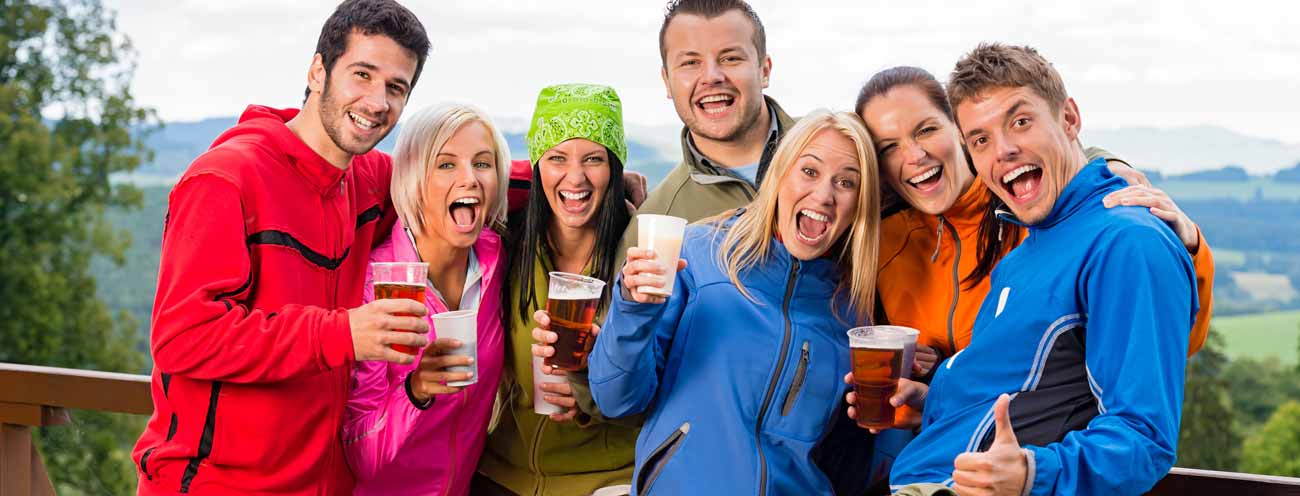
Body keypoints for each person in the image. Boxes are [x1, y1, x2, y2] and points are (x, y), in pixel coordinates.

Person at [132, 1, 430, 494]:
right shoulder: (226, 179)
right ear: (318, 71)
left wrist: (572, 175)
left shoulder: (368, 178)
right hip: (213, 485)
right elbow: (182, 338)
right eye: (362, 74)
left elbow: (460, 182)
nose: (378, 101)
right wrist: (342, 334)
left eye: (396, 88)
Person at [876, 44, 1198, 496]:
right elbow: (1025, 394)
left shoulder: (1126, 241)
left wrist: (1032, 472)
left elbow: (1144, 438)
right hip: (920, 477)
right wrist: (937, 401)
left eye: (1020, 121)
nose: (1004, 150)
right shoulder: (1025, 251)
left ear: (1069, 119)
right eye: (981, 139)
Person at [586, 109, 882, 495]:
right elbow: (616, 398)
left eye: (846, 182)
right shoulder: (699, 253)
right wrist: (633, 307)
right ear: (780, 175)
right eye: (809, 171)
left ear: (859, 205)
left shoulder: (851, 314)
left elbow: (853, 462)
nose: (824, 195)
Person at [855, 66, 1214, 375]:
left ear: (959, 130)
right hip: (930, 440)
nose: (914, 156)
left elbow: (1174, 340)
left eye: (926, 130)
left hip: (1038, 447)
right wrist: (934, 372)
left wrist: (1189, 246)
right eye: (888, 147)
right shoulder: (878, 237)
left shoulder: (1031, 209)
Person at [473, 84, 639, 496]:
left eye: (594, 159)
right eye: (557, 158)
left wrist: (590, 394)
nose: (575, 177)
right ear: (538, 167)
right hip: (500, 475)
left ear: (614, 169)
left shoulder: (639, 259)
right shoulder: (506, 245)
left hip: (605, 480)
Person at [341, 104, 511, 495]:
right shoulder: (378, 285)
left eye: (482, 164)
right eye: (446, 165)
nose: (469, 179)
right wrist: (415, 391)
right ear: (415, 179)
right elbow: (360, 456)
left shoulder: (496, 260)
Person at [621, 0, 794, 257]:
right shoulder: (651, 231)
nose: (712, 76)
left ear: (764, 70)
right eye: (691, 63)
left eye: (730, 58)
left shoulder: (846, 153)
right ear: (667, 82)